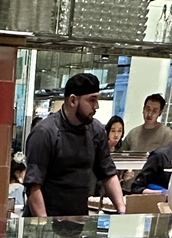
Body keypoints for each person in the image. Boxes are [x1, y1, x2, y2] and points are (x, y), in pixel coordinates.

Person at [22, 73, 123, 217]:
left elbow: (108, 173)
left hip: (78, 218)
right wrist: (43, 224)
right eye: (92, 100)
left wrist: (122, 210)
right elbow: (33, 186)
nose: (96, 106)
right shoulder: (45, 133)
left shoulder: (96, 131)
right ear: (73, 100)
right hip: (46, 217)